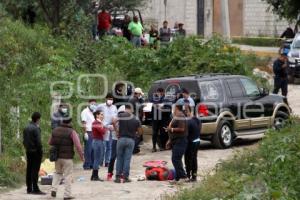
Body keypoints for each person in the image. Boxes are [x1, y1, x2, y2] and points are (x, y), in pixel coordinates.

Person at [49, 117, 84, 199]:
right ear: (70, 122)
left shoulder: (55, 130)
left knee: (57, 173)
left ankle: (54, 189)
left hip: (57, 157)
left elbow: (50, 142)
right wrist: (82, 156)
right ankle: (67, 195)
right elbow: (78, 146)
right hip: (67, 158)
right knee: (68, 175)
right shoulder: (72, 132)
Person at [115, 105, 143, 183]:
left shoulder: (121, 115)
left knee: (119, 158)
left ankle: (117, 177)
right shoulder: (136, 118)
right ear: (131, 110)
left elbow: (114, 121)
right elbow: (140, 132)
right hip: (131, 140)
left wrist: (116, 131)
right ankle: (125, 177)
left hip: (121, 139)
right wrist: (136, 134)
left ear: (125, 109)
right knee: (127, 159)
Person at [23, 112, 45, 195]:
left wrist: (27, 148)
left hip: (28, 151)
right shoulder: (36, 129)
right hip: (36, 152)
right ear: (38, 119)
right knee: (35, 170)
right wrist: (40, 151)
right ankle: (35, 188)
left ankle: (29, 188)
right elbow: (38, 142)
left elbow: (24, 141)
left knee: (29, 169)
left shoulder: (26, 127)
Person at [165, 105, 188, 182]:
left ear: (177, 109)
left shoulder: (180, 116)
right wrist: (169, 140)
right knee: (177, 159)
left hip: (180, 141)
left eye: (174, 108)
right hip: (175, 141)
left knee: (176, 159)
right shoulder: (176, 116)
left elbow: (182, 128)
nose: (173, 110)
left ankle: (183, 176)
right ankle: (178, 177)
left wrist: (171, 129)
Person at [97, 93, 118, 167]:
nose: (110, 100)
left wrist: (114, 125)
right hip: (103, 128)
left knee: (109, 146)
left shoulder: (114, 107)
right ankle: (100, 161)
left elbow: (116, 117)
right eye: (109, 99)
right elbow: (96, 114)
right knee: (103, 146)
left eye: (111, 99)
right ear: (106, 99)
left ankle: (107, 161)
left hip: (111, 128)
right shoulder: (101, 106)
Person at [107, 105, 126, 181]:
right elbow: (108, 125)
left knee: (121, 157)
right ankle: (110, 173)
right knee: (113, 157)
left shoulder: (126, 120)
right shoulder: (115, 118)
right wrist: (113, 127)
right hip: (115, 140)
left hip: (121, 140)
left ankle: (121, 173)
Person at [184, 105, 201, 182]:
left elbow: (185, 133)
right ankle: (194, 176)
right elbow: (200, 128)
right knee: (194, 159)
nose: (185, 113)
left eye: (186, 111)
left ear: (190, 111)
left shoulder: (188, 121)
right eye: (185, 111)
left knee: (188, 159)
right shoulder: (197, 119)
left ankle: (188, 176)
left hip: (191, 142)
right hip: (197, 141)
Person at [81, 99, 97, 170]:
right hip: (88, 132)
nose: (93, 105)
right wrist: (85, 133)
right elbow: (84, 123)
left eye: (94, 104)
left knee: (93, 149)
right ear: (89, 104)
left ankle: (91, 164)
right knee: (88, 149)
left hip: (93, 132)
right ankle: (86, 165)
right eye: (92, 104)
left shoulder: (92, 112)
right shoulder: (85, 112)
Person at [90, 110, 106, 181]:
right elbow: (103, 132)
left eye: (103, 114)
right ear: (97, 115)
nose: (103, 116)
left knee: (97, 158)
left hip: (98, 141)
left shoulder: (97, 122)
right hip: (97, 141)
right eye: (101, 114)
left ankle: (93, 175)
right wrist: (105, 127)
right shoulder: (96, 123)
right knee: (97, 159)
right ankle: (95, 176)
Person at [129, 87, 145, 153]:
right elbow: (138, 107)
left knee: (135, 133)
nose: (140, 95)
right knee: (137, 133)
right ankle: (134, 148)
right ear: (137, 94)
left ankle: (135, 147)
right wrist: (143, 105)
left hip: (134, 117)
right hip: (135, 118)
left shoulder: (134, 99)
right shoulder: (134, 100)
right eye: (140, 94)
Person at [151, 88, 167, 152]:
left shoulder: (165, 98)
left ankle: (162, 146)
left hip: (162, 118)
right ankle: (154, 147)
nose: (158, 94)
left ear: (162, 92)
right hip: (155, 118)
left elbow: (166, 106)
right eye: (158, 93)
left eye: (160, 93)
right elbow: (151, 104)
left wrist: (160, 106)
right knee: (154, 132)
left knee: (162, 132)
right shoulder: (154, 98)